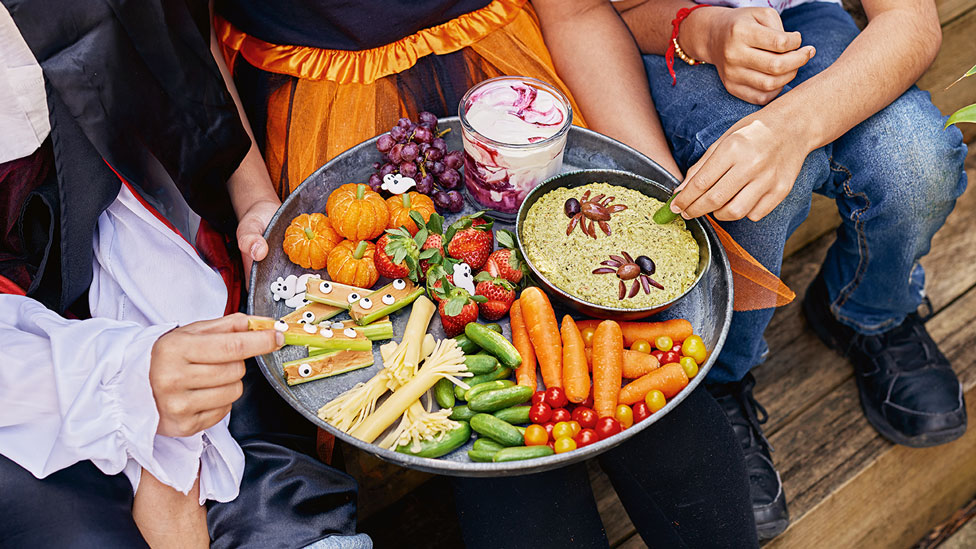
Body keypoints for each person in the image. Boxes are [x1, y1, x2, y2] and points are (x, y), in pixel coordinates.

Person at [215, 0, 760, 546]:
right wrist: (254, 197)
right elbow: (191, 44)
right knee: (503, 452)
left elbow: (576, 12)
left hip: (507, 77)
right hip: (327, 114)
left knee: (668, 427)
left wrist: (657, 180)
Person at [0, 1, 368, 547]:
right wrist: (123, 381)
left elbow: (180, 33)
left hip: (160, 235)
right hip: (22, 385)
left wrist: (254, 200)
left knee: (284, 509)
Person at [614, 0, 969, 539]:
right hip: (676, 39)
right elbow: (602, 12)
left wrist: (790, 127)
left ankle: (865, 310)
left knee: (915, 162)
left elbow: (912, 20)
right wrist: (701, 30)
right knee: (753, 192)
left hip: (809, 19)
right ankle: (720, 373)